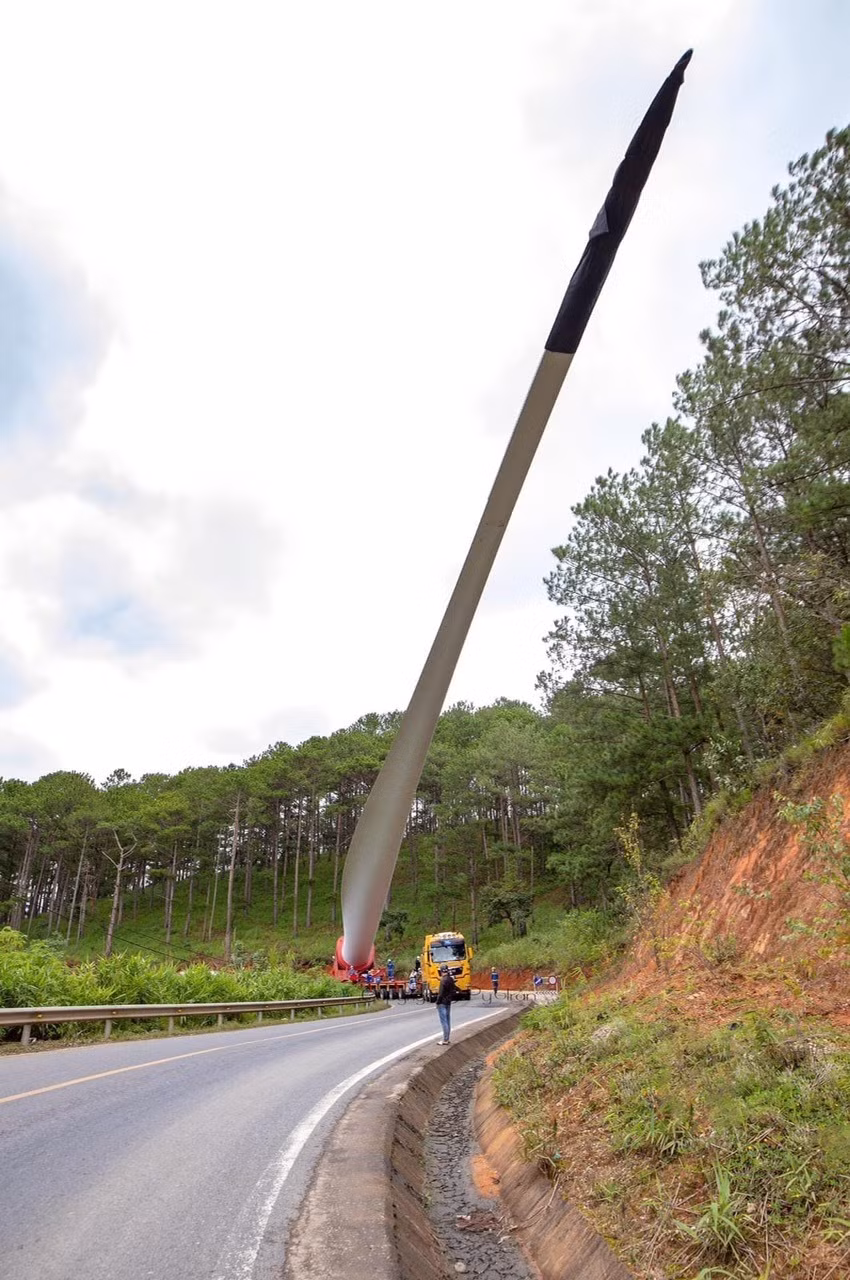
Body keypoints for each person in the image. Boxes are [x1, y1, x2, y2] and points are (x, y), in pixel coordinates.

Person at [435, 964, 458, 1045]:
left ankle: (445, 1040)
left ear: (441, 971)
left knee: (444, 1021)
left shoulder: (443, 980)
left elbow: (440, 993)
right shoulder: (450, 979)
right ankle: (447, 1039)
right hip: (448, 1002)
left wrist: (437, 1002)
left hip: (442, 1003)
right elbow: (454, 990)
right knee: (448, 1020)